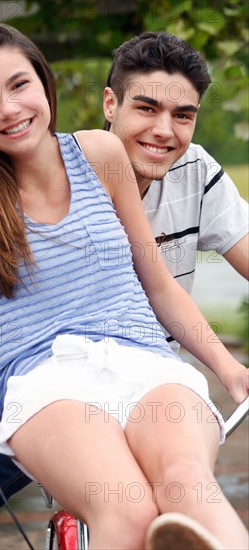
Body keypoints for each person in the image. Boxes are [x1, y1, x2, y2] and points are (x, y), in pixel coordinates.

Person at [0, 28, 248, 549]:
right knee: (126, 509)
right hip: (45, 380)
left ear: (44, 83)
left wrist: (232, 370)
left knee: (190, 487)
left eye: (19, 85)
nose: (8, 109)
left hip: (144, 363)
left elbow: (159, 285)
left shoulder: (101, 154)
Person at [102, 32, 248, 351]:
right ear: (111, 104)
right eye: (147, 109)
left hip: (163, 381)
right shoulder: (62, 178)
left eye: (182, 115)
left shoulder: (194, 169)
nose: (164, 131)